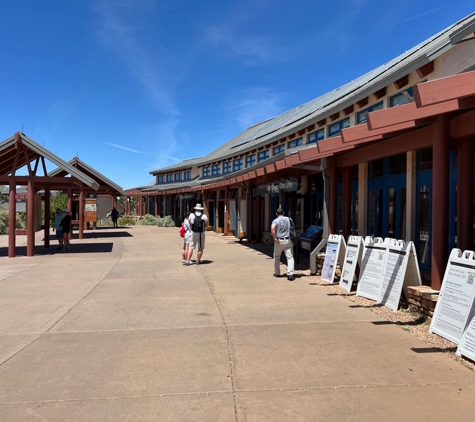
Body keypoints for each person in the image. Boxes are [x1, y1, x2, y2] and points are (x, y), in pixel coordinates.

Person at [271, 207, 295, 281]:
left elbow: (272, 229)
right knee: (290, 257)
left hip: (279, 241)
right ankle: (290, 274)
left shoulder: (275, 220)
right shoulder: (289, 219)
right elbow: (293, 228)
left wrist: (274, 238)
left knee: (277, 256)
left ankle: (277, 273)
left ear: (276, 214)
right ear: (283, 213)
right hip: (288, 240)